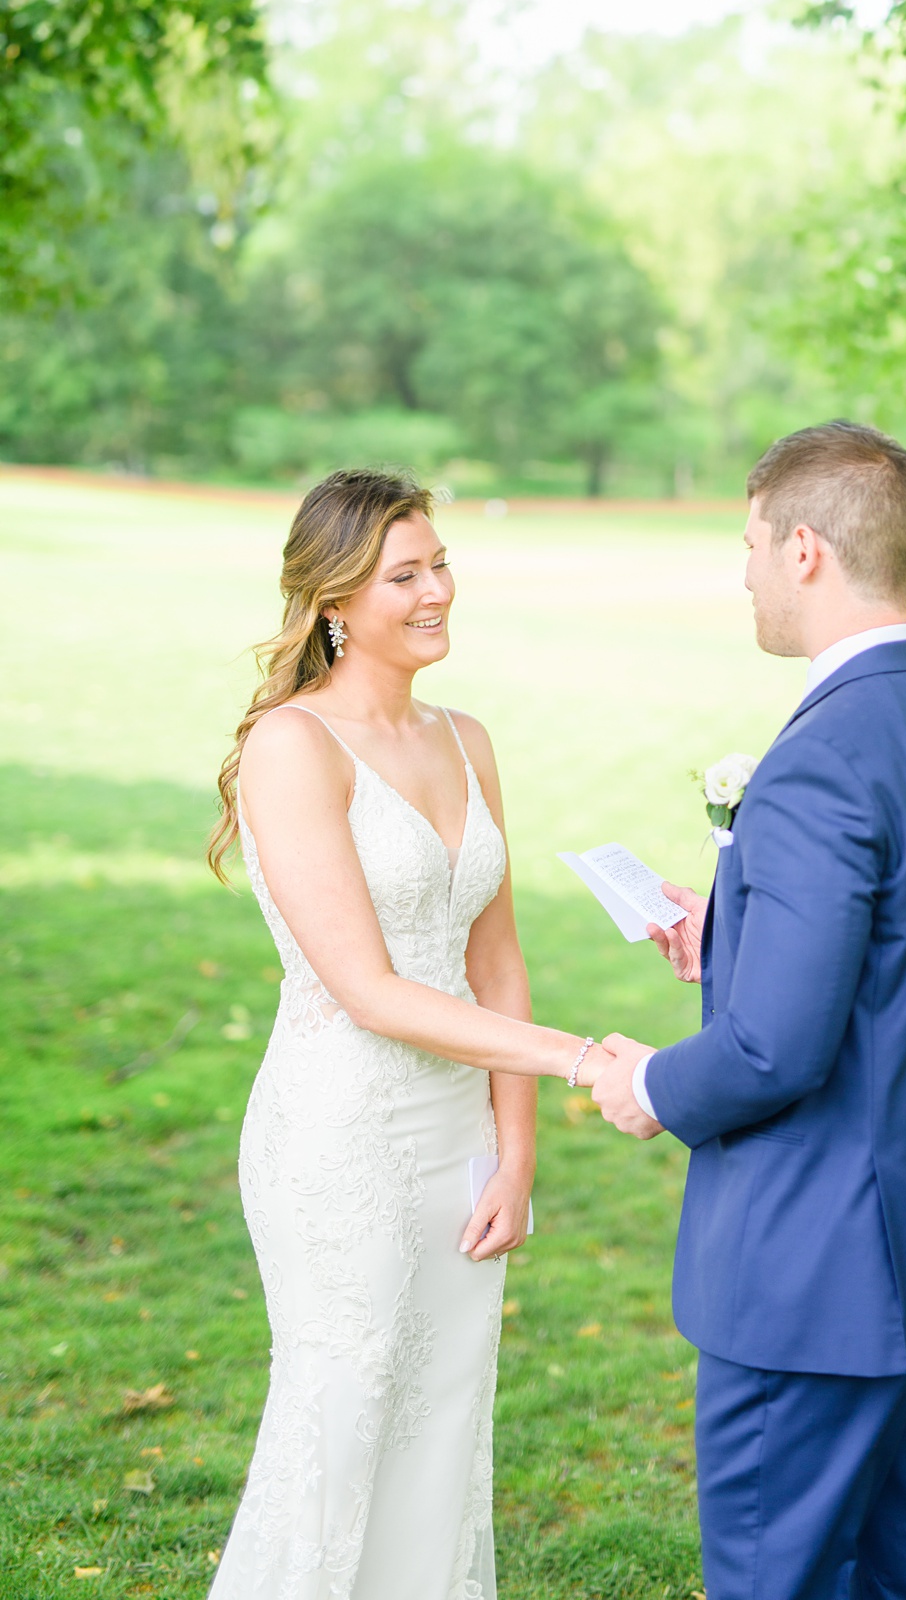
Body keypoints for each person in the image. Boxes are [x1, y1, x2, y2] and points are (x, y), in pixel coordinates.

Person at [587, 422, 906, 1600]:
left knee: (773, 1578)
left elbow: (774, 1048)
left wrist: (645, 1084)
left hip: (816, 1275)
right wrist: (733, 929)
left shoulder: (822, 760)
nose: (738, 571)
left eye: (746, 542)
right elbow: (905, 964)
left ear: (802, 551)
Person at [205, 469, 623, 1595]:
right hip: (340, 1128)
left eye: (441, 563)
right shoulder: (290, 746)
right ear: (334, 597)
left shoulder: (466, 737)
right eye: (407, 573)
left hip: (461, 1137)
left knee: (444, 1421)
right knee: (341, 1415)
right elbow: (369, 987)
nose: (438, 589)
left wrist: (518, 1147)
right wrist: (584, 1059)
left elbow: (496, 959)